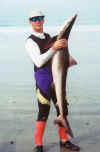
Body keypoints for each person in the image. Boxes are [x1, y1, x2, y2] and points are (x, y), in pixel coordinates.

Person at [25, 10, 80, 152]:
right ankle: (38, 145)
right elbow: (39, 61)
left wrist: (62, 46)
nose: (37, 21)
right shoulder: (30, 41)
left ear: (43, 20)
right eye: (34, 19)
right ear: (30, 22)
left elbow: (60, 49)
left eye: (40, 18)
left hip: (58, 80)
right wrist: (54, 48)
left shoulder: (50, 37)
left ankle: (64, 141)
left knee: (63, 110)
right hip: (43, 81)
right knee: (43, 111)